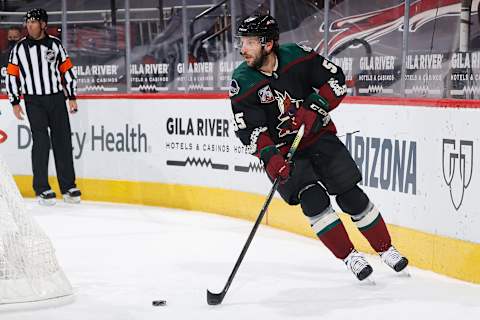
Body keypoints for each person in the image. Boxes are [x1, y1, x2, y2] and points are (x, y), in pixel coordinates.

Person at [229, 14, 408, 281]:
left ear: (268, 44)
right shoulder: (242, 81)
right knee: (313, 200)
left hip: (319, 137)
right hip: (285, 154)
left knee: (350, 195)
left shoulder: (297, 56)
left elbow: (335, 78)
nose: (243, 49)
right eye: (242, 42)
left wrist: (316, 105)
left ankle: (386, 249)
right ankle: (350, 256)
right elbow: (249, 130)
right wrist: (270, 158)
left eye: (250, 42)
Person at [5, 8, 81, 206]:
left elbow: (67, 70)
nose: (29, 25)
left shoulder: (55, 45)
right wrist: (14, 101)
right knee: (41, 141)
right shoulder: (19, 48)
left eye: (34, 22)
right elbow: (12, 76)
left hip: (56, 98)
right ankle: (42, 188)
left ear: (44, 25)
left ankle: (68, 187)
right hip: (33, 100)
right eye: (27, 22)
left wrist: (71, 95)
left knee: (63, 141)